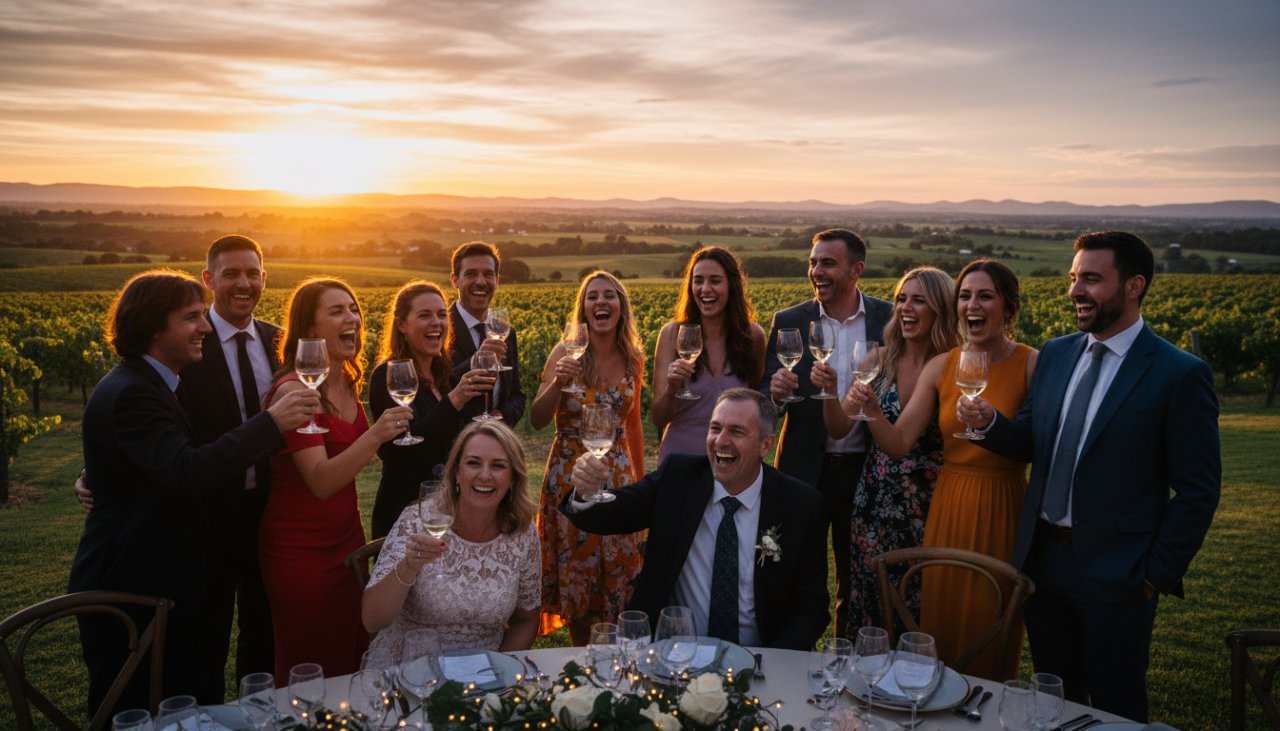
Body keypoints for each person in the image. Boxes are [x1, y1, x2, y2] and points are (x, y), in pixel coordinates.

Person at [957, 232, 1220, 720]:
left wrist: (1153, 577)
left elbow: (1199, 491)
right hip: (1044, 563)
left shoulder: (1178, 374)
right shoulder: (1057, 353)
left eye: (1092, 279)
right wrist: (990, 423)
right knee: (1057, 701)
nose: (1076, 290)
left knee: (1117, 706)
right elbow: (1033, 440)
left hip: (1120, 576)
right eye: (1074, 277)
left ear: (1134, 286)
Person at [68, 270, 318, 717]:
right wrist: (271, 423)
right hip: (133, 589)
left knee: (184, 701)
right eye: (191, 317)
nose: (205, 327)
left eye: (203, 316)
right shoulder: (133, 393)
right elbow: (186, 469)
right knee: (135, 712)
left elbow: (160, 458)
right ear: (152, 326)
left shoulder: (155, 383)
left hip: (167, 579)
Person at [843, 258, 1036, 680]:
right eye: (966, 295)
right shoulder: (943, 365)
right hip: (947, 504)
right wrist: (868, 407)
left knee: (991, 622)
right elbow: (896, 443)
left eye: (985, 295)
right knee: (936, 620)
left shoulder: (1032, 363)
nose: (973, 305)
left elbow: (1040, 444)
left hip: (1002, 505)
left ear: (1009, 306)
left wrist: (993, 425)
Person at [565, 388, 829, 650]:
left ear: (766, 445)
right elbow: (611, 514)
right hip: (674, 655)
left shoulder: (800, 505)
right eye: (715, 429)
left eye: (736, 432)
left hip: (761, 658)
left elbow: (811, 608)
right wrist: (586, 492)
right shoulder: (678, 478)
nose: (720, 441)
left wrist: (769, 664)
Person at [258, 277, 412, 682]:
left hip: (347, 540)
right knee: (309, 662)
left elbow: (353, 456)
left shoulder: (345, 378)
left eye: (354, 309)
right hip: (300, 550)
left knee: (350, 654)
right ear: (309, 331)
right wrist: (376, 433)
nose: (353, 319)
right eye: (337, 311)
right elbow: (322, 482)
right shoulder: (292, 390)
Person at [759, 228, 893, 638]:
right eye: (813, 262)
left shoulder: (888, 320)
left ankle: (847, 658)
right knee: (791, 570)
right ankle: (788, 656)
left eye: (828, 263)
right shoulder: (789, 321)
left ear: (857, 270)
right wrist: (776, 395)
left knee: (857, 579)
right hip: (802, 467)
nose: (816, 271)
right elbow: (767, 401)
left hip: (865, 469)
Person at [814, 266, 960, 632]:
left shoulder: (951, 367)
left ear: (940, 309)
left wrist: (873, 410)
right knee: (870, 594)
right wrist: (831, 390)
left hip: (925, 503)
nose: (905, 308)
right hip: (875, 501)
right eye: (901, 299)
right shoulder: (877, 360)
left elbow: (898, 444)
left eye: (918, 301)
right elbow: (838, 426)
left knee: (918, 599)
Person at [529, 270, 646, 645]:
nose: (601, 302)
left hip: (619, 478)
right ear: (583, 309)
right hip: (569, 478)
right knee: (578, 580)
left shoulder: (633, 359)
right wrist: (556, 383)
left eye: (609, 295)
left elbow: (634, 426)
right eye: (592, 296)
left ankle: (617, 664)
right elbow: (536, 419)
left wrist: (643, 489)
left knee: (622, 575)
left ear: (621, 307)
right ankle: (582, 660)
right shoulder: (566, 354)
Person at [361, 421, 540, 658]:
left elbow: (526, 620)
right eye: (473, 463)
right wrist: (409, 566)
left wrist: (501, 667)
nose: (484, 475)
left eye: (498, 466)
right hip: (408, 664)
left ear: (513, 479)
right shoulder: (418, 521)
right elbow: (372, 620)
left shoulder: (522, 532)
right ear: (456, 471)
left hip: (483, 671)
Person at [367, 280, 494, 539]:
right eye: (424, 315)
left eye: (441, 315)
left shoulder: (444, 373)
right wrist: (454, 401)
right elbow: (404, 453)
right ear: (402, 324)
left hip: (448, 511)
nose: (436, 322)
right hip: (406, 513)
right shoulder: (388, 376)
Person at [652, 246, 766, 461]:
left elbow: (759, 406)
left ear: (731, 285)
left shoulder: (753, 337)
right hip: (680, 461)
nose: (705, 289)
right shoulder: (672, 334)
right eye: (698, 280)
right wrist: (672, 386)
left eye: (715, 280)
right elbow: (659, 418)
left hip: (733, 462)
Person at [447, 241, 526, 424]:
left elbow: (517, 395)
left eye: (488, 274)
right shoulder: (440, 329)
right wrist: (476, 361)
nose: (481, 282)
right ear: (455, 280)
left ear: (497, 280)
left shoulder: (506, 333)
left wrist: (502, 417)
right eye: (471, 274)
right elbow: (439, 388)